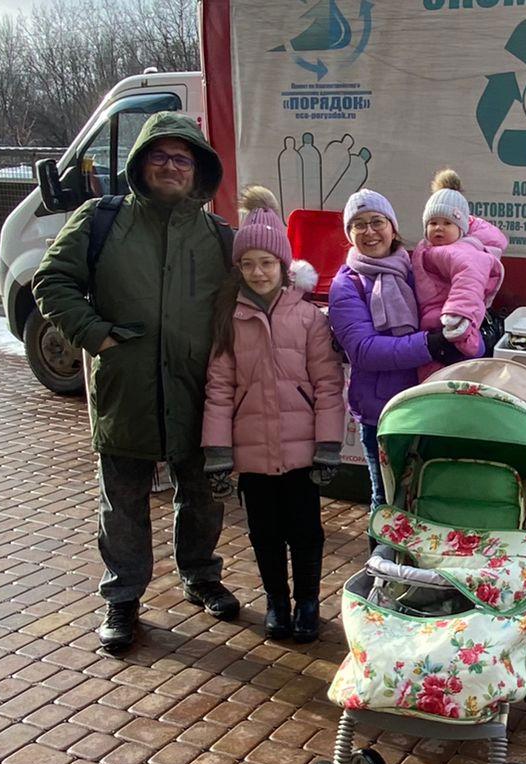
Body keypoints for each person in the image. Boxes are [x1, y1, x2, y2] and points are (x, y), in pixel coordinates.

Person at [33, 112, 239, 655]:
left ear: (199, 170)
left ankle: (200, 573)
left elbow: (254, 302)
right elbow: (51, 281)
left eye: (182, 158)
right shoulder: (101, 220)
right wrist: (95, 335)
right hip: (127, 389)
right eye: (160, 156)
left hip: (198, 390)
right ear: (140, 164)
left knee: (202, 495)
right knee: (123, 501)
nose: (171, 167)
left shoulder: (219, 237)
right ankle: (122, 598)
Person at [200, 187, 343, 643]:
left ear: (283, 265)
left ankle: (308, 602)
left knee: (306, 532)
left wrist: (328, 445)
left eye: (266, 263)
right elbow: (219, 388)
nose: (258, 272)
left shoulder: (308, 318)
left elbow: (327, 385)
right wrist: (218, 452)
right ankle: (277, 601)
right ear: (238, 269)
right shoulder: (229, 319)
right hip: (253, 453)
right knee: (264, 534)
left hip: (301, 454)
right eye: (248, 264)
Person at [326, 188, 465, 511]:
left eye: (377, 221)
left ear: (393, 227)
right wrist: (429, 345)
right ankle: (380, 547)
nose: (369, 231)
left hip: (430, 402)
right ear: (349, 233)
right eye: (359, 224)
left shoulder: (418, 267)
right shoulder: (346, 284)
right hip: (384, 413)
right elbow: (364, 350)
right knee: (389, 503)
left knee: (430, 499)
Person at [411, 168, 505, 377]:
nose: (439, 228)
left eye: (447, 223)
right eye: (433, 223)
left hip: (449, 323)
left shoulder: (457, 251)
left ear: (461, 229)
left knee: (443, 376)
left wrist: (457, 315)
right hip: (438, 323)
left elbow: (469, 278)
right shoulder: (433, 248)